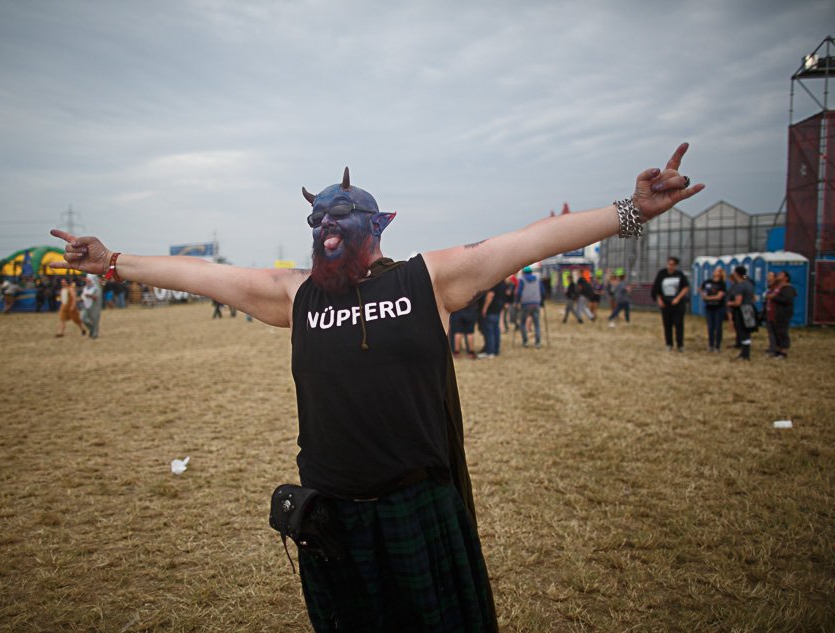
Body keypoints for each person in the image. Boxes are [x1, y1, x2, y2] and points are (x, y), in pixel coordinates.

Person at [51, 146, 702, 632]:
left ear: (377, 226)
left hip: (416, 507)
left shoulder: (428, 280)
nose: (326, 227)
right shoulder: (296, 296)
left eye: (340, 217)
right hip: (334, 514)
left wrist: (629, 211)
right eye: (317, 220)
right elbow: (203, 274)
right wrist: (114, 262)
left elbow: (528, 241)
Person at [651, 256, 689, 351]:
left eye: (672, 265)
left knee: (678, 325)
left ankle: (680, 345)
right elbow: (656, 289)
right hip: (665, 304)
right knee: (667, 325)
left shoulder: (680, 275)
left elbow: (686, 287)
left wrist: (677, 298)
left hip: (677, 305)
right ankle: (669, 344)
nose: (670, 266)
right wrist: (659, 300)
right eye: (669, 264)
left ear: (675, 265)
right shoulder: (662, 274)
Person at [726, 266, 756, 361]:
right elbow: (754, 299)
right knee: (747, 332)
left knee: (742, 332)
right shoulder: (749, 284)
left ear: (736, 274)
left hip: (742, 310)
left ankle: (744, 355)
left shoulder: (740, 286)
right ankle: (746, 353)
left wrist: (729, 303)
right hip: (749, 309)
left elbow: (738, 302)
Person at [765, 270, 796, 360]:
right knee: (776, 333)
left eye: (781, 275)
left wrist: (773, 297)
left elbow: (787, 300)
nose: (778, 275)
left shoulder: (788, 288)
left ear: (786, 278)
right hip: (773, 314)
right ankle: (777, 350)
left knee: (782, 333)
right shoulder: (778, 286)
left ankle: (783, 352)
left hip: (782, 314)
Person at [515, 266, 545, 348]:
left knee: (522, 323)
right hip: (536, 303)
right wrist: (542, 302)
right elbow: (542, 291)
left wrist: (517, 302)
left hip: (525, 304)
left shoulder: (522, 280)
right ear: (531, 272)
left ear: (524, 273)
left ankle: (525, 341)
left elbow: (519, 292)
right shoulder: (538, 280)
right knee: (536, 324)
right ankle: (538, 343)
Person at [700, 266, 727, 352]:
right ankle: (710, 345)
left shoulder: (722, 284)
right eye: (715, 271)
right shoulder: (707, 282)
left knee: (718, 327)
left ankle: (717, 346)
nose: (715, 272)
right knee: (710, 327)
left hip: (719, 308)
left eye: (717, 271)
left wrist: (708, 298)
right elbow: (701, 289)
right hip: (709, 307)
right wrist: (703, 295)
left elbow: (719, 296)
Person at [478, 279, 507, 358]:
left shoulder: (493, 281)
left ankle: (490, 351)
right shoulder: (502, 282)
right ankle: (496, 350)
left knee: (489, 331)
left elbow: (490, 295)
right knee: (495, 330)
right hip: (498, 308)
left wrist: (485, 308)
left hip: (491, 309)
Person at [80, 274, 103, 339]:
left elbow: (96, 298)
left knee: (95, 320)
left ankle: (95, 333)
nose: (87, 282)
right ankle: (91, 328)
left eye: (88, 281)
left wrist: (89, 296)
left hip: (94, 306)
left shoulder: (97, 289)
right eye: (86, 280)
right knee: (83, 318)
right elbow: (83, 296)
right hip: (85, 306)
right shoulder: (85, 288)